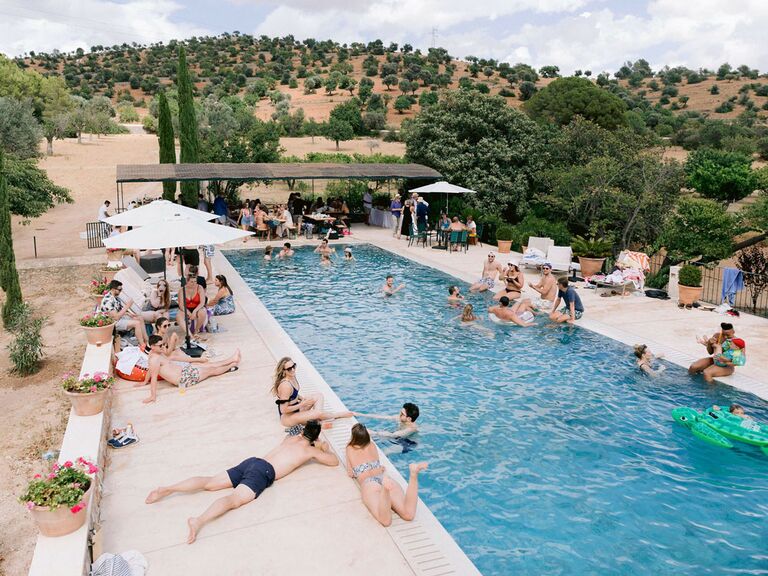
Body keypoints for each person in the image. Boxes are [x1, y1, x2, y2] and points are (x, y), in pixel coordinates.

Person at [145, 420, 339, 544]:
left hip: (253, 462)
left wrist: (314, 440)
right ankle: (198, 521)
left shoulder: (291, 438)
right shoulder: (310, 451)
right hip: (263, 472)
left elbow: (298, 432)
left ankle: (168, 489)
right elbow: (334, 461)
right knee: (233, 500)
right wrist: (324, 447)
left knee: (210, 482)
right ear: (315, 437)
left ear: (304, 430)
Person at [345, 423, 427, 526]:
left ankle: (384, 490)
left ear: (354, 437)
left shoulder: (349, 448)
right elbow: (378, 464)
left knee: (385, 521)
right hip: (383, 477)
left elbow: (350, 473)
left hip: (369, 484)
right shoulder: (372, 445)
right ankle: (413, 475)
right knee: (408, 514)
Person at [139, 335, 240, 403]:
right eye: (160, 345)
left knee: (207, 365)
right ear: (152, 346)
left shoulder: (155, 353)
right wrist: (152, 396)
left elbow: (150, 369)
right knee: (211, 370)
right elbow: (154, 377)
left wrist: (144, 382)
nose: (162, 347)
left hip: (184, 371)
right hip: (183, 379)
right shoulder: (154, 360)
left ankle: (231, 360)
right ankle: (231, 364)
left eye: (163, 344)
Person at [272, 357, 350, 435]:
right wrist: (302, 404)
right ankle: (334, 416)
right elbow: (283, 410)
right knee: (318, 413)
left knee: (318, 396)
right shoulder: (285, 385)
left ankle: (315, 419)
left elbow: (292, 394)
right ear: (283, 371)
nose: (293, 369)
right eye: (289, 369)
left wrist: (302, 398)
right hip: (288, 417)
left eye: (294, 366)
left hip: (296, 410)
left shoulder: (292, 376)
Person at [100, 280, 148, 346]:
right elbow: (116, 317)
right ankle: (142, 345)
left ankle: (147, 341)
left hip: (118, 318)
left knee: (139, 318)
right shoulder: (108, 300)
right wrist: (127, 306)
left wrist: (128, 314)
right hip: (112, 323)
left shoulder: (115, 297)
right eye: (119, 289)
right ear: (113, 289)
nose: (121, 291)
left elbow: (118, 312)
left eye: (121, 289)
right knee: (136, 323)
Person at [353, 403, 420, 439]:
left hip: (407, 442)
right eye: (400, 412)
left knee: (385, 452)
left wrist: (373, 433)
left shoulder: (411, 429)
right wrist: (360, 414)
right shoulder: (400, 418)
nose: (399, 414)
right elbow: (381, 417)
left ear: (409, 419)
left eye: (402, 414)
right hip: (397, 436)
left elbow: (394, 435)